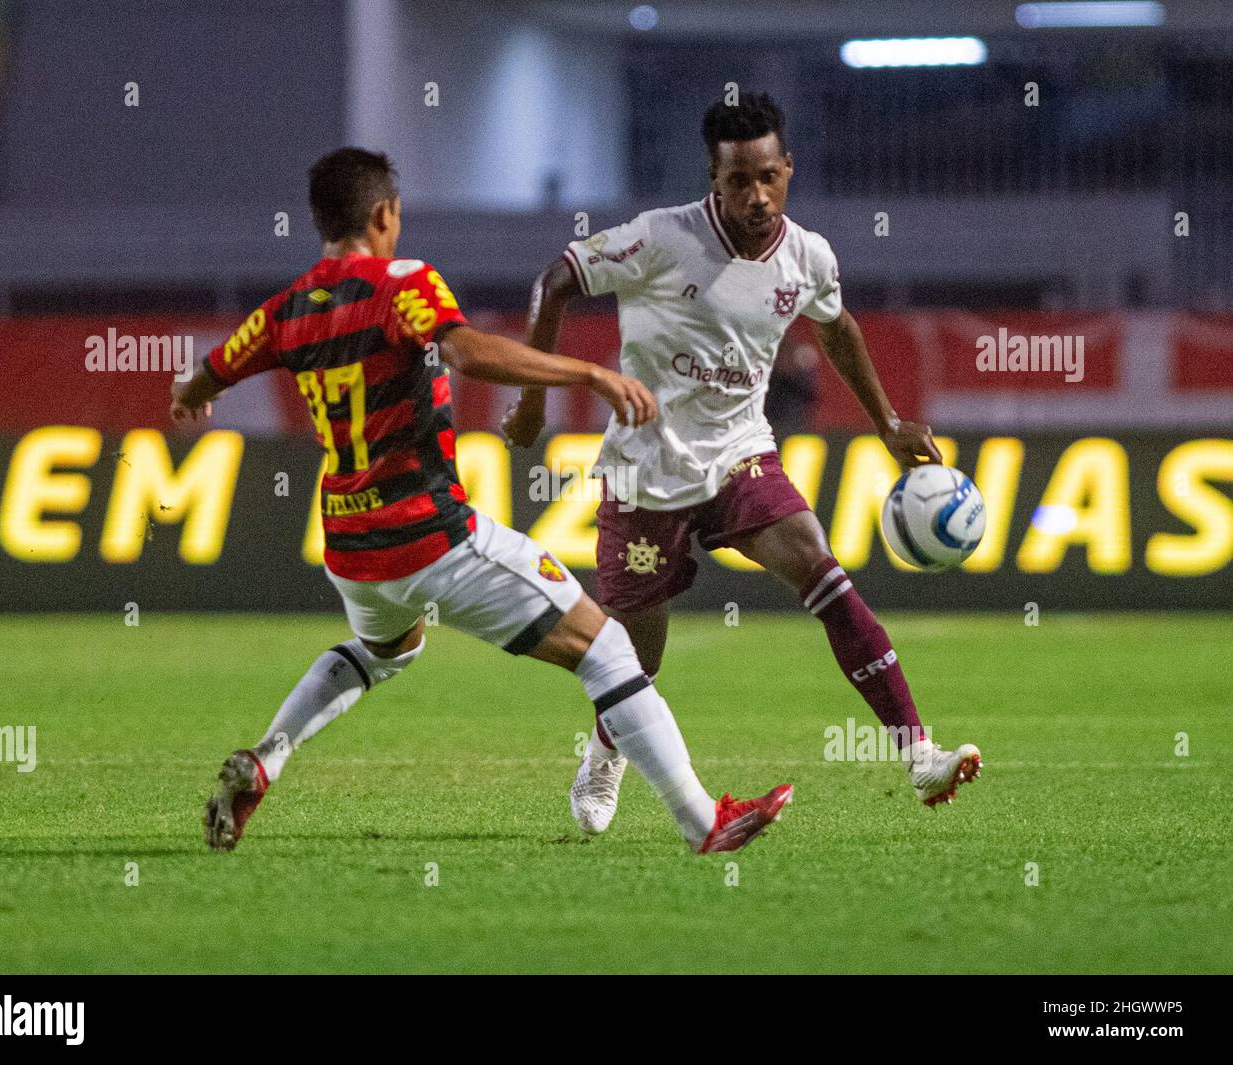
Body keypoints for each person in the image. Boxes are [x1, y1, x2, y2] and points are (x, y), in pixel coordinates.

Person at [169, 148, 792, 854]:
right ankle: (702, 820)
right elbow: (466, 353)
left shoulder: (287, 310)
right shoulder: (403, 283)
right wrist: (588, 371)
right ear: (383, 215)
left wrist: (191, 393)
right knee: (610, 649)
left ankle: (266, 759)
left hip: (349, 546)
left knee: (385, 650)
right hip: (430, 534)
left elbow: (211, 369)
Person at [502, 93, 981, 835]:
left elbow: (839, 327)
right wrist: (534, 401)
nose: (756, 196)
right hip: (644, 471)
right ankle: (605, 750)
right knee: (638, 660)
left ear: (787, 169)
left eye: (768, 177)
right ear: (714, 180)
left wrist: (886, 423)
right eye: (738, 182)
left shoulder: (808, 256)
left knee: (823, 571)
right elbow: (556, 279)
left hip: (738, 456)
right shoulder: (660, 238)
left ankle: (918, 752)